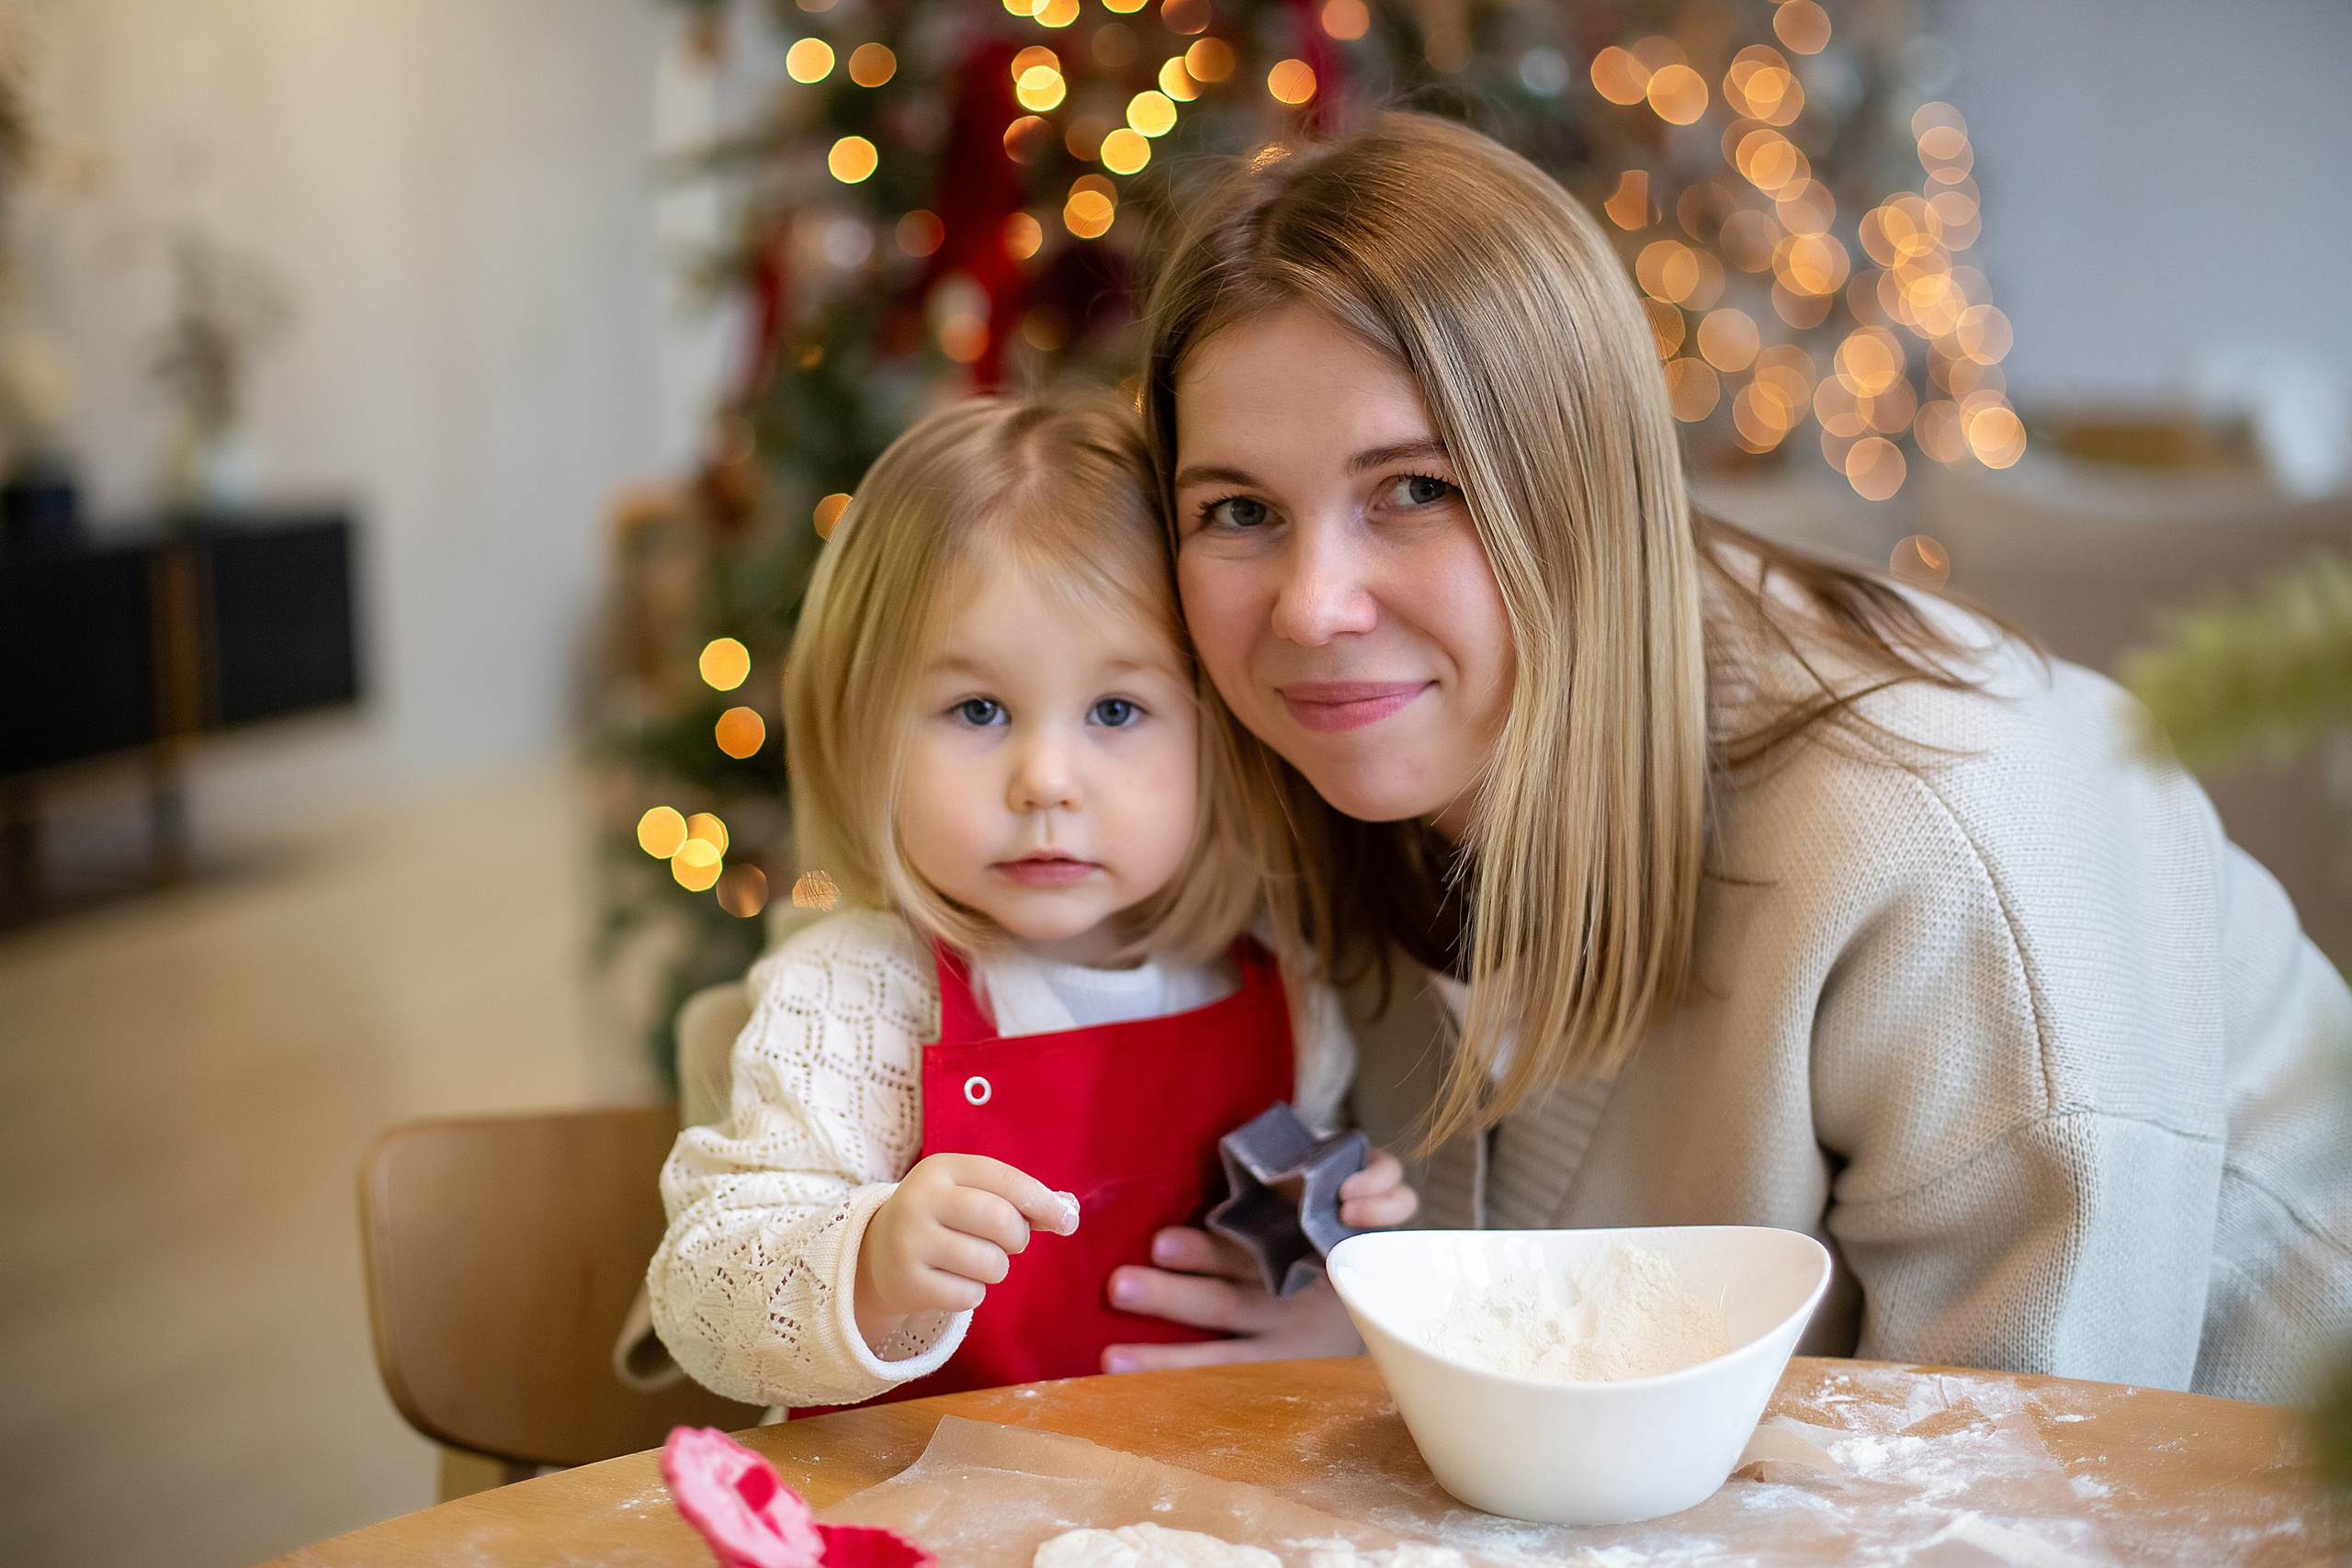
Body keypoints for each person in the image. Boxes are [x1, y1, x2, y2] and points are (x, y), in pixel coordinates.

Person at [1099, 112, 2352, 1404]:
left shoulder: (1942, 829)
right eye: (1239, 511)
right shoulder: (1261, 786)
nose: (1313, 608)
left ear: (1585, 489)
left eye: (1417, 488)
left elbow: (2021, 1492)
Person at [646, 392, 1415, 1412]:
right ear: (859, 731)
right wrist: (866, 1264)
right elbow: (700, 1294)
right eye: (978, 709)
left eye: (1116, 710)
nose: (1046, 781)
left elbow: (1276, 1274)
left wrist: (1337, 1241)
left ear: (1214, 737)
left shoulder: (1284, 992)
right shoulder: (855, 1000)